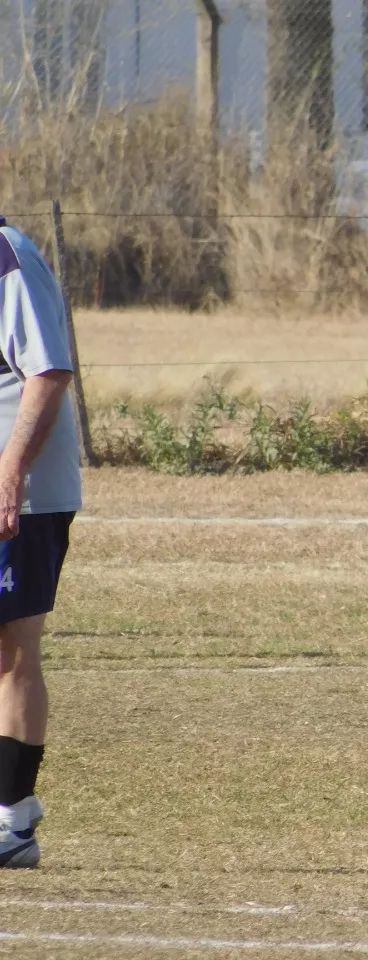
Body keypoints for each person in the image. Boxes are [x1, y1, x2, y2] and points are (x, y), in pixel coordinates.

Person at [0, 218, 83, 867]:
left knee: (11, 649)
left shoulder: (9, 255)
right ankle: (17, 809)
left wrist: (10, 473)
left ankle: (12, 826)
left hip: (20, 495)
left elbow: (49, 371)